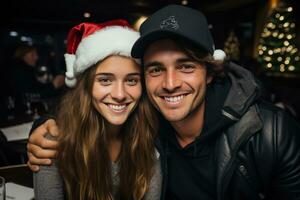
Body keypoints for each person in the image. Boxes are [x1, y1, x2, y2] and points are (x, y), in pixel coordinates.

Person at [27, 4, 300, 200]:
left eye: (186, 66)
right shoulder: (145, 120)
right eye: (156, 69)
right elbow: (88, 109)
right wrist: (45, 125)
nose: (170, 84)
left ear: (209, 73)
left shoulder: (271, 133)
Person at [32, 20, 162, 200]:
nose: (119, 94)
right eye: (105, 80)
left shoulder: (149, 135)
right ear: (85, 86)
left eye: (131, 80)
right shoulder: (54, 142)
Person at [10, 44, 65, 116]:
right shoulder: (18, 71)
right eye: (32, 54)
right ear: (22, 56)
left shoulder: (25, 70)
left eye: (36, 54)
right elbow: (30, 95)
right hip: (20, 116)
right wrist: (53, 85)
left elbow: (36, 88)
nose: (36, 57)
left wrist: (53, 85)